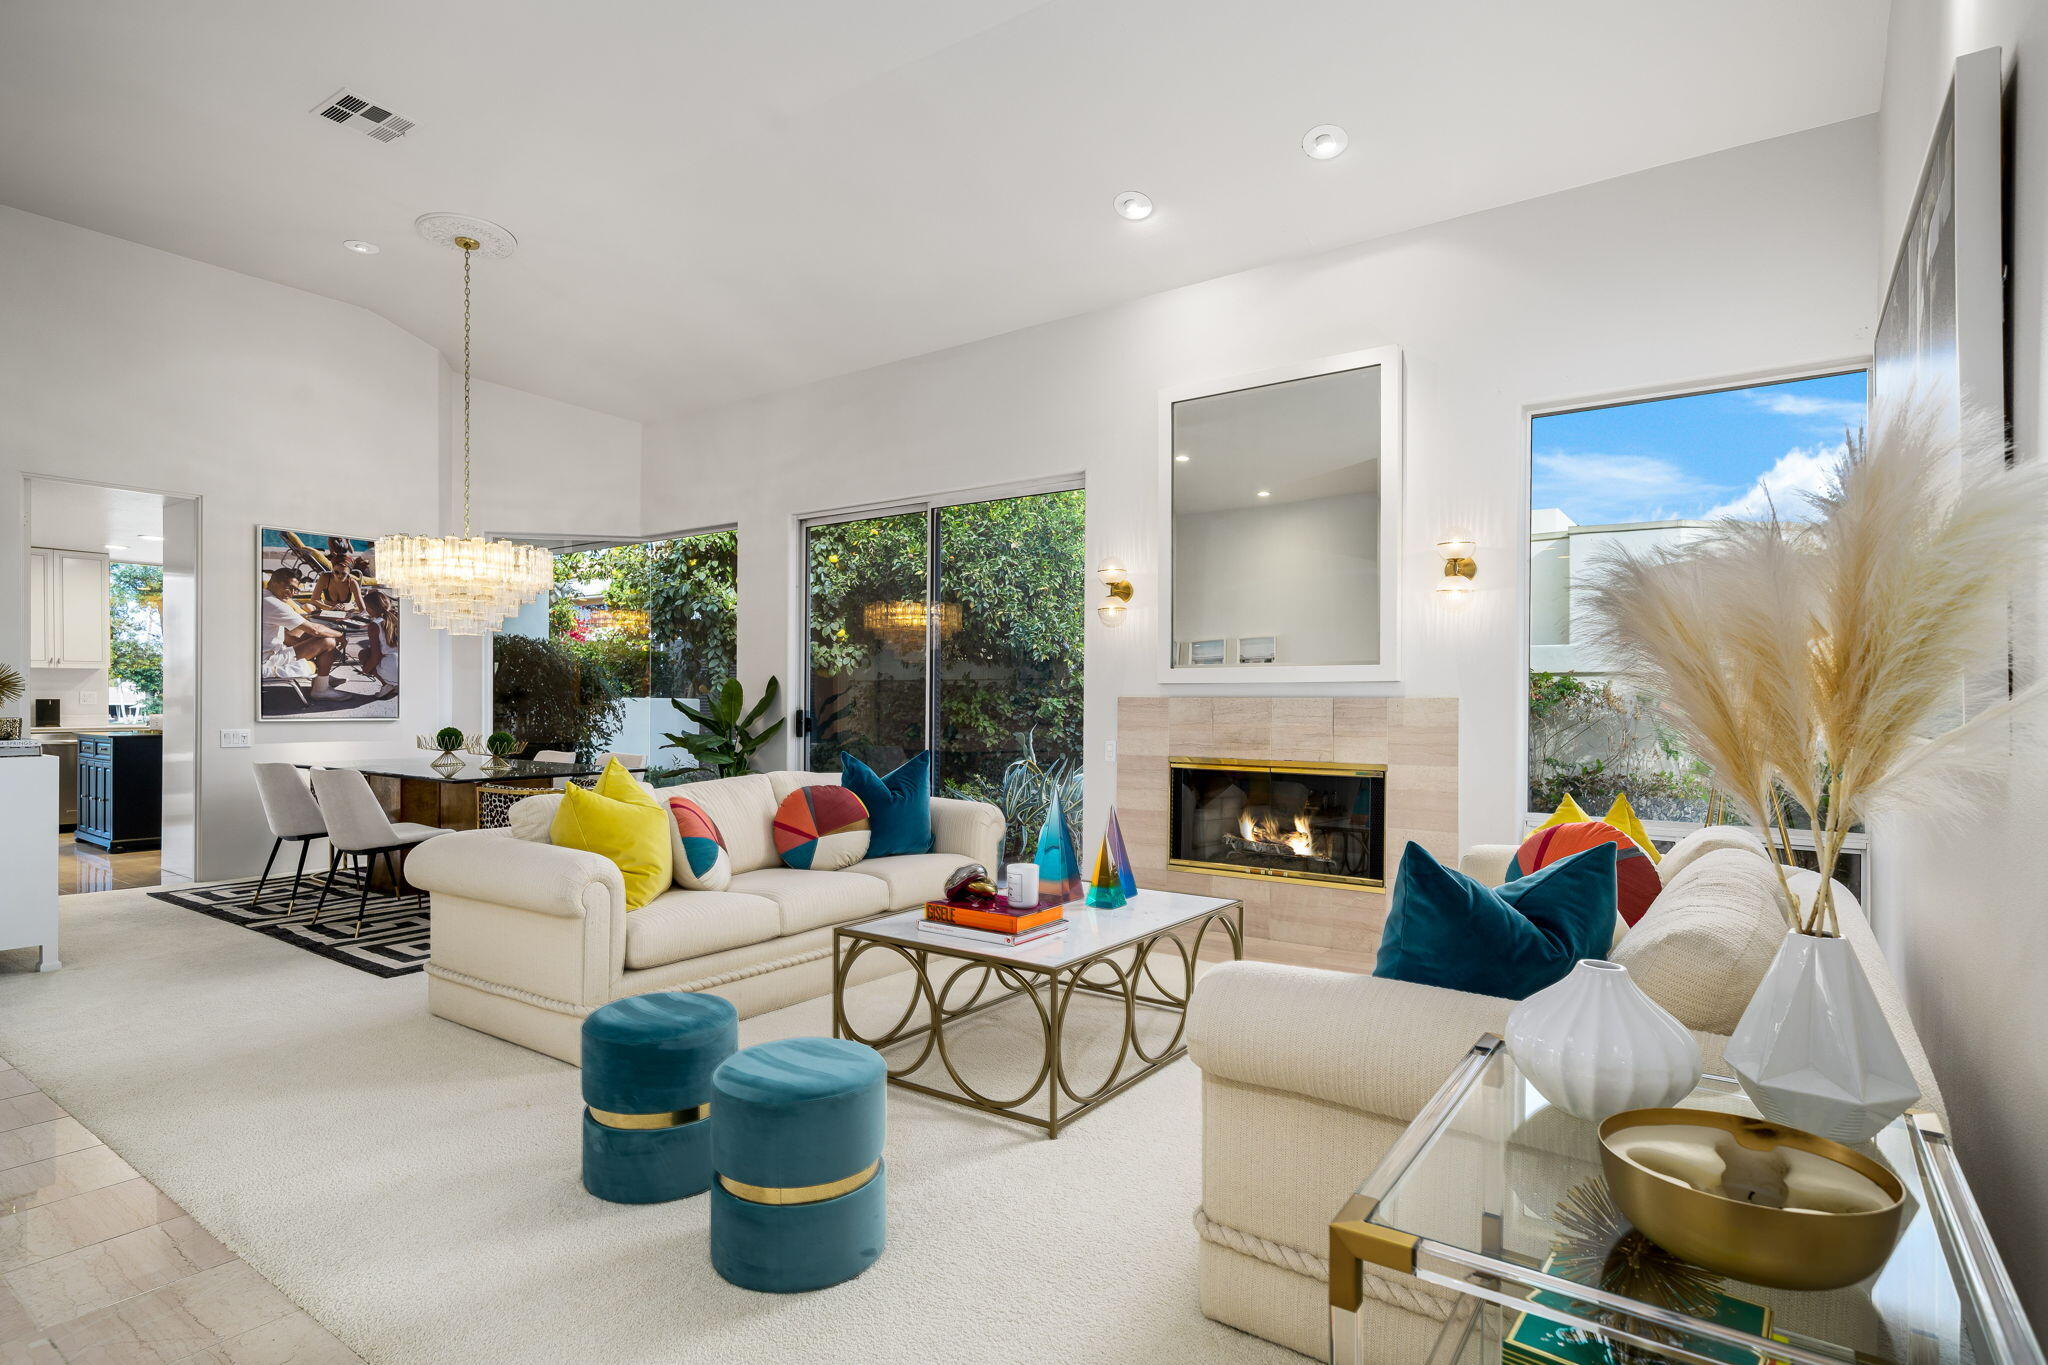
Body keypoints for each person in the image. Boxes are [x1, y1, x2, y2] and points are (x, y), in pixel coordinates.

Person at [261, 567, 343, 698]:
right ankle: (321, 690)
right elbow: (315, 630)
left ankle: (323, 675)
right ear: (274, 582)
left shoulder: (263, 595)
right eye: (289, 587)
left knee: (300, 631)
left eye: (295, 589)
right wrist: (341, 636)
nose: (292, 593)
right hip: (267, 660)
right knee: (328, 641)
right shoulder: (275, 604)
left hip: (262, 653)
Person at [359, 587, 400, 701]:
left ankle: (387, 685)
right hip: (404, 667)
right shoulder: (395, 619)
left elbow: (376, 656)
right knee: (370, 651)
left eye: (366, 607)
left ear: (371, 608)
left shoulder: (374, 625)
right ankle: (395, 685)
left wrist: (366, 669)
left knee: (364, 654)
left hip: (392, 667)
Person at [309, 539, 367, 618]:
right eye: (336, 572)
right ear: (332, 569)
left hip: (344, 612)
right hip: (327, 611)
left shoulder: (352, 583)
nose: (339, 576)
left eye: (344, 573)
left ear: (349, 573)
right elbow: (314, 599)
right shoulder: (325, 577)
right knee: (307, 606)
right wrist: (330, 608)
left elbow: (362, 609)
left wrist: (349, 607)